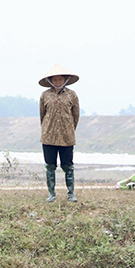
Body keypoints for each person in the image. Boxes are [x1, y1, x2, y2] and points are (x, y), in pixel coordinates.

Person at [39, 65, 80, 203]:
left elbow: (76, 115)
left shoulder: (72, 95)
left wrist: (69, 129)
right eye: (55, 79)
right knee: (50, 166)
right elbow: (42, 115)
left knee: (68, 166)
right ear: (50, 81)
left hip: (67, 137)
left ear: (65, 80)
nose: (57, 82)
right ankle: (52, 194)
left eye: (60, 79)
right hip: (48, 137)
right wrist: (46, 129)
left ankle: (71, 193)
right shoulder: (45, 95)